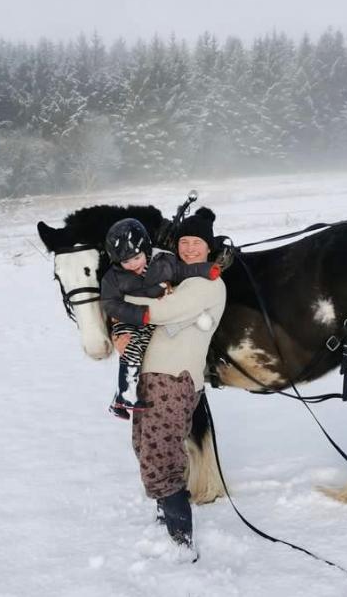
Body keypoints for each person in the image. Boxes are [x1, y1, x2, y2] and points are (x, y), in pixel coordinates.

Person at [114, 207, 226, 555]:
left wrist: (116, 298)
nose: (189, 248)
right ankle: (167, 522)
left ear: (208, 247)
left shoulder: (207, 283)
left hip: (174, 379)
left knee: (162, 457)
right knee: (147, 449)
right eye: (184, 242)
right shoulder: (176, 278)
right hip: (152, 377)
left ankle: (181, 544)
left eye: (197, 243)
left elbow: (160, 312)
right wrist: (121, 328)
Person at [101, 217, 220, 419]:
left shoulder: (163, 262)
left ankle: (120, 399)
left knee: (139, 354)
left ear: (146, 251)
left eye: (136, 258)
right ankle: (125, 396)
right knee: (133, 351)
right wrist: (139, 313)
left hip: (152, 329)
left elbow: (183, 270)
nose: (132, 265)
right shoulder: (113, 277)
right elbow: (110, 303)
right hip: (129, 320)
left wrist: (207, 269)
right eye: (126, 262)